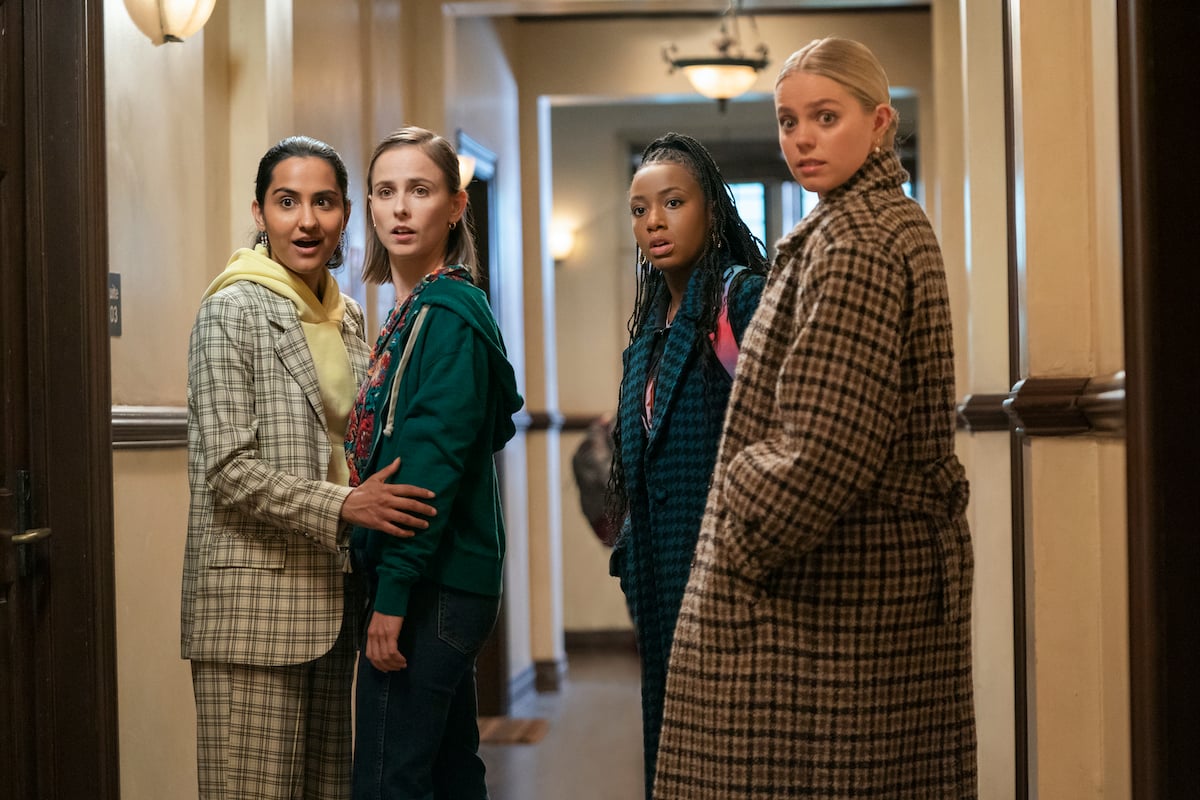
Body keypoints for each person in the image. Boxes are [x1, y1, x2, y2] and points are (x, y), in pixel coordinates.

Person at [652, 38, 978, 799]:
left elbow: (824, 451)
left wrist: (735, 520)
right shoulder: (861, 224)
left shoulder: (858, 242)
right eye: (788, 121)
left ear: (878, 121)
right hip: (855, 584)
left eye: (825, 117)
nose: (801, 138)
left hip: (831, 594)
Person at [182, 135, 440, 800]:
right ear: (260, 212)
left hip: (332, 605)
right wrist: (343, 507)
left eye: (323, 202)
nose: (307, 220)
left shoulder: (347, 316)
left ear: (346, 213)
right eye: (287, 202)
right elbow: (227, 470)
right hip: (251, 615)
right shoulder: (230, 309)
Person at [345, 126, 522, 800]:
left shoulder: (446, 314)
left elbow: (428, 472)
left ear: (455, 206)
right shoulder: (409, 312)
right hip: (434, 580)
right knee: (448, 774)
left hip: (429, 586)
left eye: (419, 190)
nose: (399, 208)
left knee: (389, 780)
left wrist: (392, 598)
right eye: (385, 191)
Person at [607, 132, 768, 799]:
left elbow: (779, 426)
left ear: (711, 209)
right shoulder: (649, 327)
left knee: (735, 757)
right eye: (641, 209)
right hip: (660, 573)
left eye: (673, 202)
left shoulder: (743, 300)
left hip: (731, 573)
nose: (655, 222)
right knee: (676, 756)